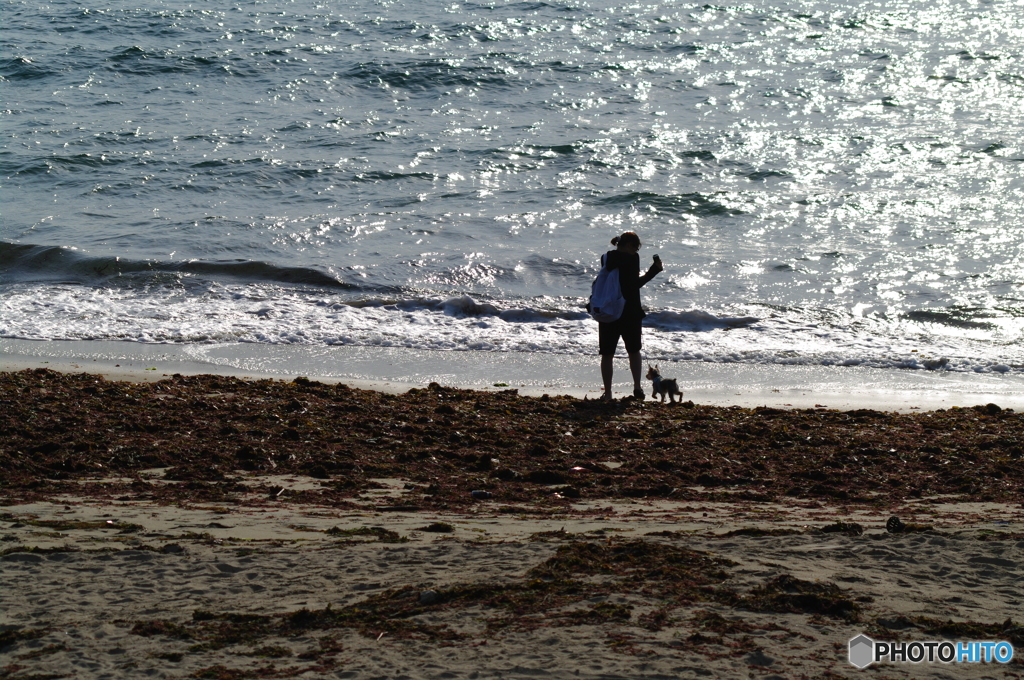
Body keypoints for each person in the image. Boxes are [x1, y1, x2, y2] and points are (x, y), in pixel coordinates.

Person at [598, 231, 663, 400]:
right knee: (634, 351)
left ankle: (608, 393)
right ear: (628, 245)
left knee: (607, 354)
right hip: (629, 312)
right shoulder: (632, 258)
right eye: (636, 247)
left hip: (608, 311)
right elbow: (633, 285)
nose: (636, 251)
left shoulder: (606, 257)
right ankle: (637, 388)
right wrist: (653, 271)